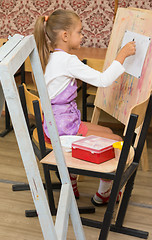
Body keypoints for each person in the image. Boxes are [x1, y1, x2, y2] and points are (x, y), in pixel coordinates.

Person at [34, 9, 136, 206]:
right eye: (79, 32)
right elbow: (102, 80)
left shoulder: (50, 57)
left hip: (55, 123)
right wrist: (122, 55)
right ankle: (103, 194)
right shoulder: (67, 61)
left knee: (106, 131)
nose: (82, 36)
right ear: (65, 35)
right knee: (116, 142)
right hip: (62, 130)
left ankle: (70, 180)